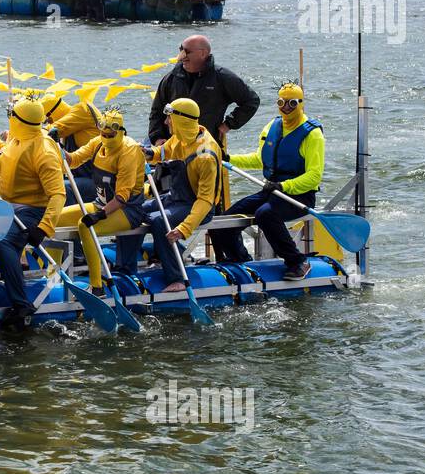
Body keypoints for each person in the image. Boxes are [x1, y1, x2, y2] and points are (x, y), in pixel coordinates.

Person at [210, 82, 324, 281]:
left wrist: (283, 186)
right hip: (271, 192)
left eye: (292, 104)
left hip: (299, 197)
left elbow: (314, 176)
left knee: (265, 214)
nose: (286, 108)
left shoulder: (312, 134)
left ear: (301, 104)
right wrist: (229, 159)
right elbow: (259, 158)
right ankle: (241, 261)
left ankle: (297, 262)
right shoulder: (272, 126)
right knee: (224, 221)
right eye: (282, 102)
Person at [136, 98, 228, 293]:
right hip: (176, 199)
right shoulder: (180, 136)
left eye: (169, 118)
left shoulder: (206, 155)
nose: (166, 122)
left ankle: (177, 278)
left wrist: (183, 229)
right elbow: (162, 152)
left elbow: (205, 200)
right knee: (136, 209)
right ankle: (137, 261)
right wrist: (146, 153)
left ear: (181, 120)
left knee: (160, 221)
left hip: (198, 206)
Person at [0, 97, 65, 331]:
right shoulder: (17, 137)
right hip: (8, 205)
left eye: (11, 114)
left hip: (34, 209)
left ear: (20, 120)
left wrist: (44, 228)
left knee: (3, 242)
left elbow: (57, 194)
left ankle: (21, 303)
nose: (9, 118)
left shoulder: (44, 150)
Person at [55, 108, 148, 290]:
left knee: (85, 225)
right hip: (101, 204)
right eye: (103, 132)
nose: (105, 136)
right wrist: (56, 147)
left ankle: (96, 286)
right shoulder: (98, 143)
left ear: (120, 131)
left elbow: (122, 197)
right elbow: (73, 160)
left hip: (128, 210)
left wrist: (99, 216)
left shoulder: (128, 151)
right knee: (56, 220)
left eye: (110, 133)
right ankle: (53, 279)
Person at [148, 35, 260, 154]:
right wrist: (157, 138)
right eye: (180, 50)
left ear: (202, 53)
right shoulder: (171, 78)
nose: (182, 56)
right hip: (173, 149)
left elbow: (251, 101)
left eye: (186, 51)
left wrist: (228, 124)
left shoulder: (223, 78)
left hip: (206, 149)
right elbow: (157, 110)